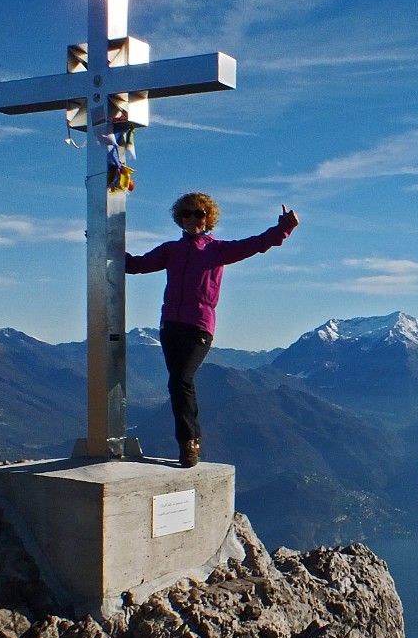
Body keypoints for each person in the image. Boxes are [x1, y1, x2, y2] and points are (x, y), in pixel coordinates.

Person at [126, 193, 299, 467]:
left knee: (181, 379)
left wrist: (283, 229)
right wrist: (103, 246)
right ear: (179, 218)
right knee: (178, 383)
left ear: (208, 219)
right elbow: (137, 265)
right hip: (170, 325)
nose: (192, 218)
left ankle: (189, 442)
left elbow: (255, 244)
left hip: (199, 327)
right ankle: (190, 442)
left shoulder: (216, 250)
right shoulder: (170, 250)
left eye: (199, 213)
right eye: (187, 213)